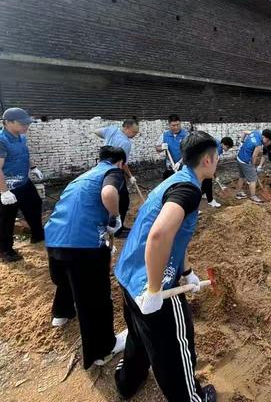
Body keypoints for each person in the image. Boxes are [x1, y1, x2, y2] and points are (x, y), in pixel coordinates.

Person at [114, 131, 218, 402]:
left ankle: (127, 382)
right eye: (217, 157)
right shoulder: (189, 190)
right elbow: (159, 235)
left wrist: (187, 272)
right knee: (175, 346)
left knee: (139, 334)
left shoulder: (175, 180)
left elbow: (175, 238)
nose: (217, 161)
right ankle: (191, 398)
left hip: (129, 273)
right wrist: (154, 288)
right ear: (207, 160)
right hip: (152, 283)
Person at [44, 146, 128, 369]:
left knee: (67, 280)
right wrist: (114, 217)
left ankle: (61, 315)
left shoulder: (82, 177)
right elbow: (109, 194)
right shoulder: (113, 172)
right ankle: (103, 349)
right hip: (83, 245)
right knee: (95, 298)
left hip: (54, 238)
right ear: (120, 162)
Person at [0, 108, 45, 262]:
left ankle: (38, 235)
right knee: (6, 219)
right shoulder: (1, 140)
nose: (27, 126)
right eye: (23, 123)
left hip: (23, 183)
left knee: (35, 204)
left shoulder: (21, 137)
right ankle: (5, 250)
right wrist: (4, 192)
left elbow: (24, 154)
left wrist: (33, 167)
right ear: (8, 122)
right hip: (7, 188)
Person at [94, 118, 139, 236]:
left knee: (110, 198)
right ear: (126, 128)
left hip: (102, 169)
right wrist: (130, 177)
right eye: (133, 132)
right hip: (115, 173)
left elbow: (96, 131)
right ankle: (117, 229)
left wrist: (108, 141)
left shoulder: (112, 130)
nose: (134, 135)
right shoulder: (125, 143)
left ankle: (113, 225)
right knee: (123, 200)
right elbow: (123, 164)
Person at [201, 136, 234, 208]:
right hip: (202, 163)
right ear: (223, 144)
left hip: (202, 160)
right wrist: (214, 174)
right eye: (227, 147)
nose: (227, 150)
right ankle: (210, 201)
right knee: (208, 181)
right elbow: (212, 164)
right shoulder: (217, 149)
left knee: (204, 181)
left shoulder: (217, 142)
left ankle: (203, 193)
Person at [235, 130, 266, 204]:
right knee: (253, 179)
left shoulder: (255, 132)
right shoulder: (258, 145)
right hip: (246, 161)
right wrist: (253, 165)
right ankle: (253, 196)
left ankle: (238, 193)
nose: (266, 142)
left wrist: (242, 141)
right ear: (265, 137)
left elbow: (244, 132)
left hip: (239, 157)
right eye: (267, 140)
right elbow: (254, 156)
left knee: (242, 176)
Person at [156, 114, 189, 180]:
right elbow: (157, 148)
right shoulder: (165, 135)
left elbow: (189, 151)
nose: (176, 127)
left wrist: (180, 162)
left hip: (184, 167)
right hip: (170, 167)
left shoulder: (186, 135)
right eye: (173, 125)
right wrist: (162, 147)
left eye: (178, 125)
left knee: (183, 186)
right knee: (170, 187)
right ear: (169, 125)